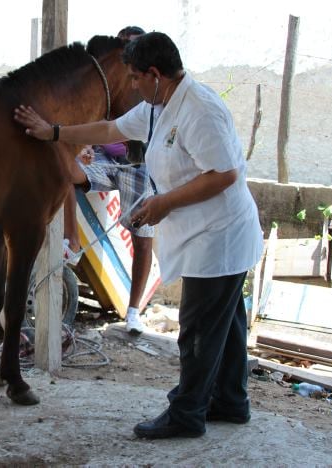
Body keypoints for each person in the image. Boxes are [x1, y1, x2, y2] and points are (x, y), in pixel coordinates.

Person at [14, 32, 263, 439]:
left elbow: (225, 174)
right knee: (228, 324)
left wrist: (164, 203)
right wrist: (54, 132)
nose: (129, 85)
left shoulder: (199, 109)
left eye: (133, 77)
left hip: (219, 236)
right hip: (204, 233)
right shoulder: (156, 106)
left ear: (155, 74)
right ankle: (232, 402)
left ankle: (186, 413)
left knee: (199, 330)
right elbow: (110, 128)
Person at [62, 26, 152, 336]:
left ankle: (134, 311)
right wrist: (85, 147)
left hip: (137, 165)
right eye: (124, 48)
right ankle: (70, 240)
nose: (128, 56)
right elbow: (93, 124)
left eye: (133, 48)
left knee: (143, 233)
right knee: (63, 165)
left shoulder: (147, 88)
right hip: (103, 158)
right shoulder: (107, 82)